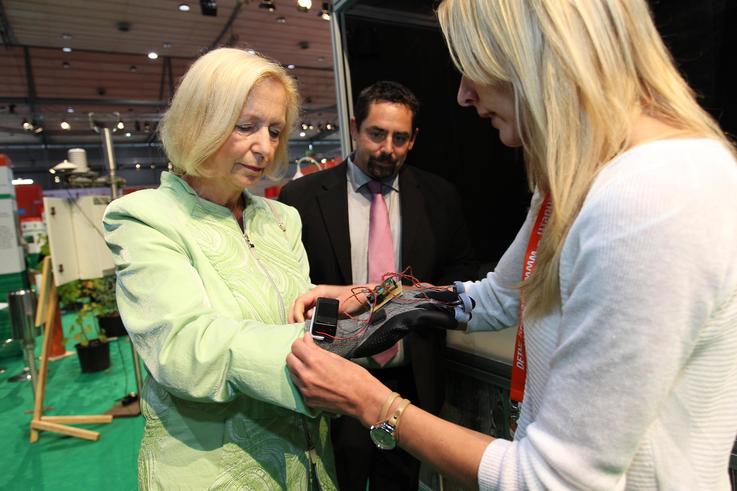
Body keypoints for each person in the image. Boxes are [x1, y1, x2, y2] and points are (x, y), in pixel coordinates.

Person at [286, 0, 737, 489]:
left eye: (472, 67)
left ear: (533, 54)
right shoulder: (573, 182)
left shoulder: (655, 194)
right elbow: (498, 298)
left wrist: (372, 402)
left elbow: (553, 479)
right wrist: (377, 300)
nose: (462, 95)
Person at [102, 48, 338, 490]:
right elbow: (183, 347)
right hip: (213, 471)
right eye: (246, 126)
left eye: (274, 130)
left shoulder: (280, 218)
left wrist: (347, 309)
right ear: (199, 121)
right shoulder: (146, 217)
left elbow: (297, 310)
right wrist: (317, 349)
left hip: (308, 462)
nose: (264, 146)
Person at [279, 80, 478, 490]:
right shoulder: (301, 197)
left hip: (411, 381)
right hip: (335, 378)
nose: (387, 148)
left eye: (400, 138)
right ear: (355, 128)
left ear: (414, 139)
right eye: (376, 134)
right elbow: (292, 284)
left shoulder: (439, 197)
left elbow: (461, 275)